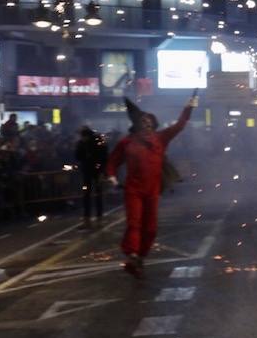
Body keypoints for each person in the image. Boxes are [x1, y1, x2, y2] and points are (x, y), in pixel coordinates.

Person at [106, 93, 197, 278]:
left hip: (153, 191)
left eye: (149, 121)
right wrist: (112, 177)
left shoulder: (160, 139)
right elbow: (112, 162)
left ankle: (139, 256)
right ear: (137, 124)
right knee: (134, 224)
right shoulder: (127, 142)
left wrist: (189, 107)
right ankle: (132, 254)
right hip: (133, 190)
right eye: (143, 121)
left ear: (153, 125)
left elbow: (179, 125)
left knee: (151, 229)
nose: (146, 124)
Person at [75, 125, 108, 228]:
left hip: (97, 171)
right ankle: (87, 219)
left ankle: (99, 219)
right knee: (86, 195)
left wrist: (102, 171)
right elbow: (77, 156)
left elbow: (104, 157)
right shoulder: (81, 143)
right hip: (87, 172)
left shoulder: (98, 141)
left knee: (98, 195)